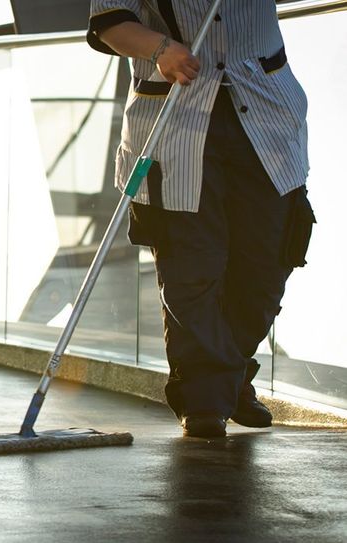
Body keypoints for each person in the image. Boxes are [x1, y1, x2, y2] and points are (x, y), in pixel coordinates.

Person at [87, 1, 315, 437]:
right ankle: (206, 399)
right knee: (191, 268)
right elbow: (110, 22)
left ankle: (228, 378)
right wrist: (161, 48)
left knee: (266, 265)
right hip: (177, 120)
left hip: (269, 116)